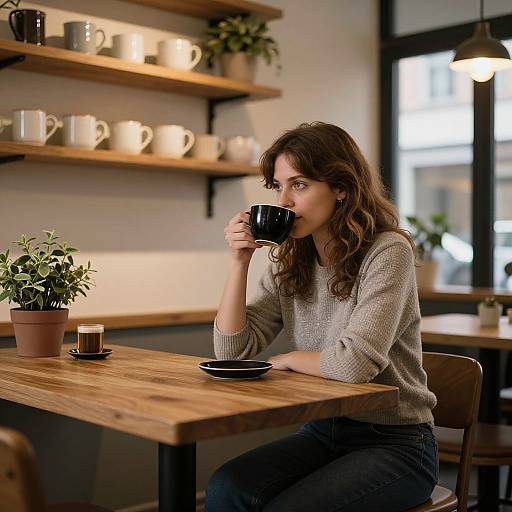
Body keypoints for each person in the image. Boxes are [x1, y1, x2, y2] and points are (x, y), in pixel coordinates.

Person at [205, 122, 438, 512]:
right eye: (278, 187)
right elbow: (233, 350)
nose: (284, 201)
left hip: (396, 441)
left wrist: (286, 360)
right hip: (321, 429)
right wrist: (240, 262)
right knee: (226, 487)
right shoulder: (291, 259)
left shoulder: (388, 251)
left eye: (299, 185)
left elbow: (354, 364)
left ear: (341, 188)